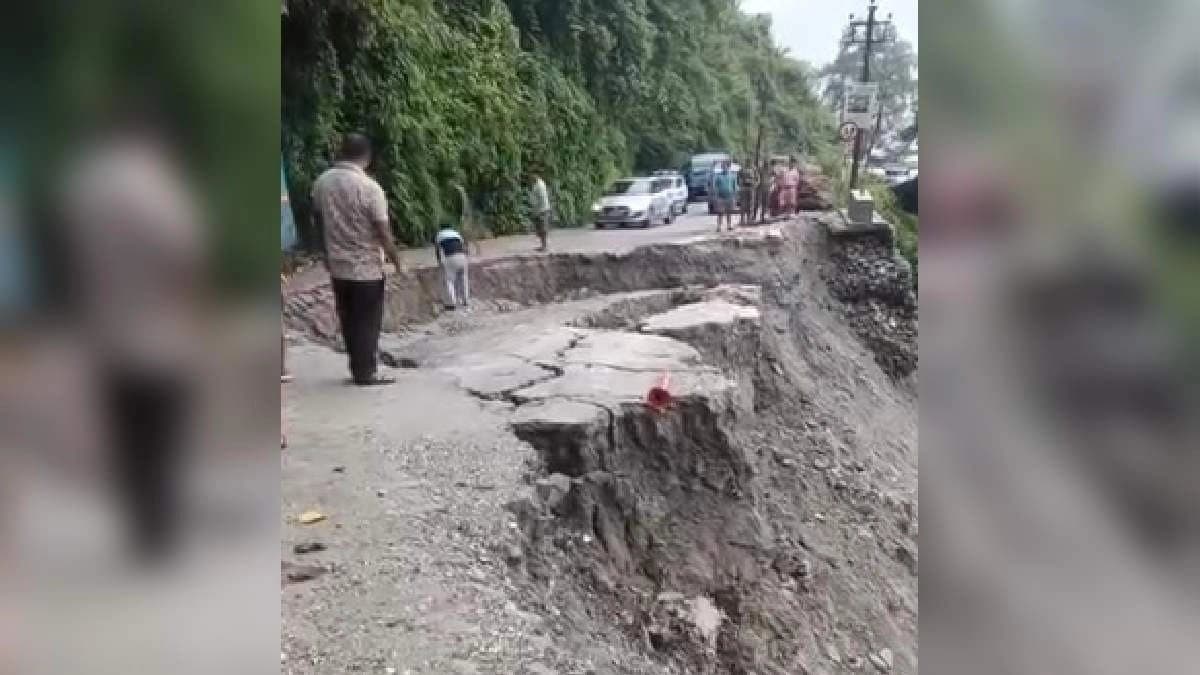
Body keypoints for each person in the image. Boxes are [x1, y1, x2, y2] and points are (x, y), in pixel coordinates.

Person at [312, 132, 404, 386]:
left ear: (342, 152)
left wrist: (325, 253)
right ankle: (367, 373)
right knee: (367, 321)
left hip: (338, 265)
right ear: (368, 156)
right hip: (366, 268)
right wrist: (396, 260)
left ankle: (357, 368)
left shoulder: (322, 183)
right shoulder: (370, 188)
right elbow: (382, 231)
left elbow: (318, 222)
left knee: (349, 319)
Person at [434, 222, 470, 311]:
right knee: (463, 278)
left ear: (441, 228)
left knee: (449, 280)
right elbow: (465, 246)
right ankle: (466, 300)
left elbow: (438, 250)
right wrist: (466, 257)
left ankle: (452, 303)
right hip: (462, 256)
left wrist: (439, 262)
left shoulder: (439, 235)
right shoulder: (456, 233)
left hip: (450, 257)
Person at [528, 169, 552, 252]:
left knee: (543, 228)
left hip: (542, 210)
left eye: (532, 174)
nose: (531, 176)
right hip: (539, 210)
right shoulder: (536, 184)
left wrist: (537, 209)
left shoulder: (540, 185)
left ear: (537, 175)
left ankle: (545, 247)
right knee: (540, 229)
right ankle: (542, 246)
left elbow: (542, 199)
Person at [712, 160, 738, 232]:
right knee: (720, 213)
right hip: (721, 197)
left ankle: (729, 225)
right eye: (723, 166)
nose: (724, 168)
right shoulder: (718, 176)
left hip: (730, 196)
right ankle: (719, 226)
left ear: (728, 167)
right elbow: (715, 185)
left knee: (729, 212)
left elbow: (735, 186)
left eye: (726, 166)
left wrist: (735, 196)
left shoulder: (732, 176)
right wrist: (716, 195)